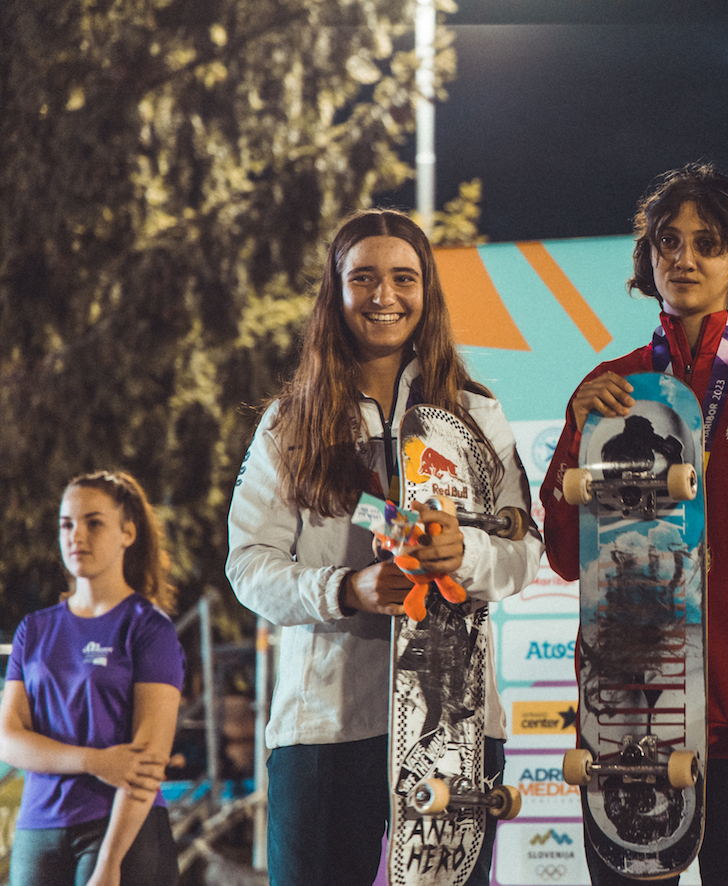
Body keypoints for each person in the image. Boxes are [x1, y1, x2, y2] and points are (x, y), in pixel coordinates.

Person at [539, 163, 728, 886]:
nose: (683, 258)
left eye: (706, 243)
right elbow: (561, 555)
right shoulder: (609, 388)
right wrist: (577, 431)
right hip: (628, 720)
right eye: (667, 241)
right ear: (647, 257)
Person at [227, 209, 542, 886]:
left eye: (403, 277)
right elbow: (248, 565)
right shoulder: (291, 421)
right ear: (334, 295)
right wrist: (345, 590)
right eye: (362, 278)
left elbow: (522, 551)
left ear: (426, 292)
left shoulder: (475, 413)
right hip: (323, 730)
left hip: (452, 723)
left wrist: (465, 555)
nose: (383, 295)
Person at [0, 471, 185, 886]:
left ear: (128, 533)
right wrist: (95, 761)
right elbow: (8, 739)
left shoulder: (149, 629)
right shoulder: (34, 630)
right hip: (38, 830)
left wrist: (109, 863)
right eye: (67, 524)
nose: (76, 534)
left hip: (120, 831)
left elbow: (146, 761)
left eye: (93, 522)